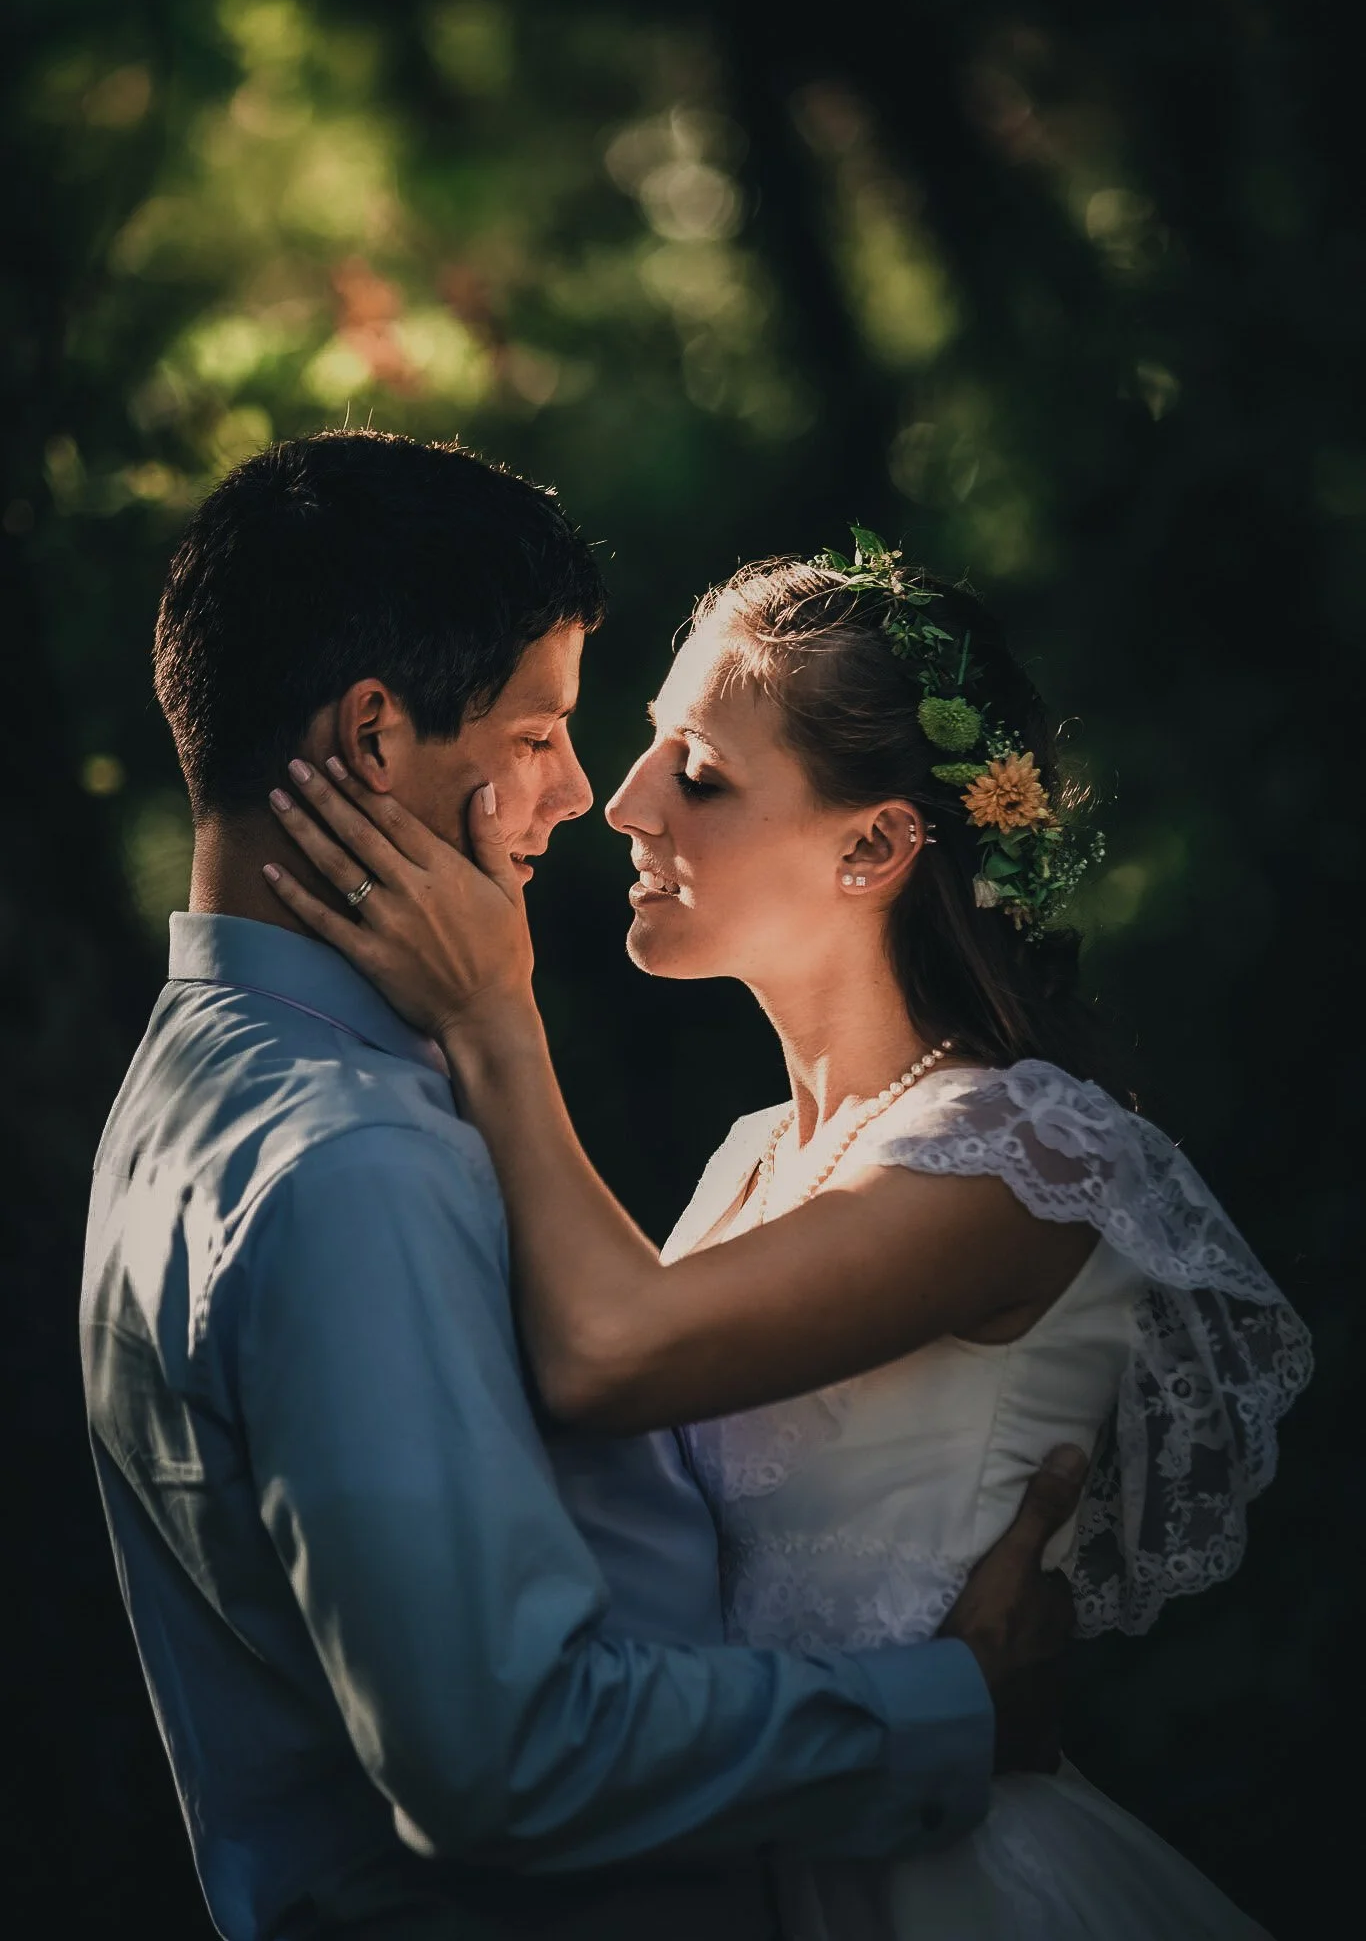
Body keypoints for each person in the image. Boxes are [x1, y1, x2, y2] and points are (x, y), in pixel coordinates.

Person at [82, 435, 1084, 1941]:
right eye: (543, 730)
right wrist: (949, 1710)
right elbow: (502, 1758)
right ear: (373, 739)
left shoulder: (192, 1092)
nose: (584, 795)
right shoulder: (350, 1157)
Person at [264, 529, 1311, 1938]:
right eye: (647, 752)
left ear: (873, 844)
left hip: (950, 1883)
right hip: (769, 1837)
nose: (626, 805)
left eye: (698, 774)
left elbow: (604, 1359)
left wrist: (490, 1015)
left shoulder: (1016, 1155)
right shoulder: (751, 1159)